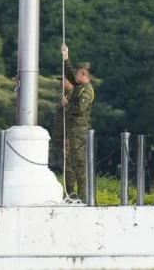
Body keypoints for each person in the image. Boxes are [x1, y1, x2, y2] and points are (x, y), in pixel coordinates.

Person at [59, 43, 94, 201]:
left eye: (76, 73)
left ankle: (84, 196)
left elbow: (80, 108)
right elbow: (69, 74)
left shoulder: (87, 90)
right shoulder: (79, 87)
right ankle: (77, 195)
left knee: (80, 164)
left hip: (80, 132)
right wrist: (66, 57)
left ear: (83, 74)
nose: (74, 76)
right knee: (73, 163)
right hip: (74, 131)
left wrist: (67, 104)